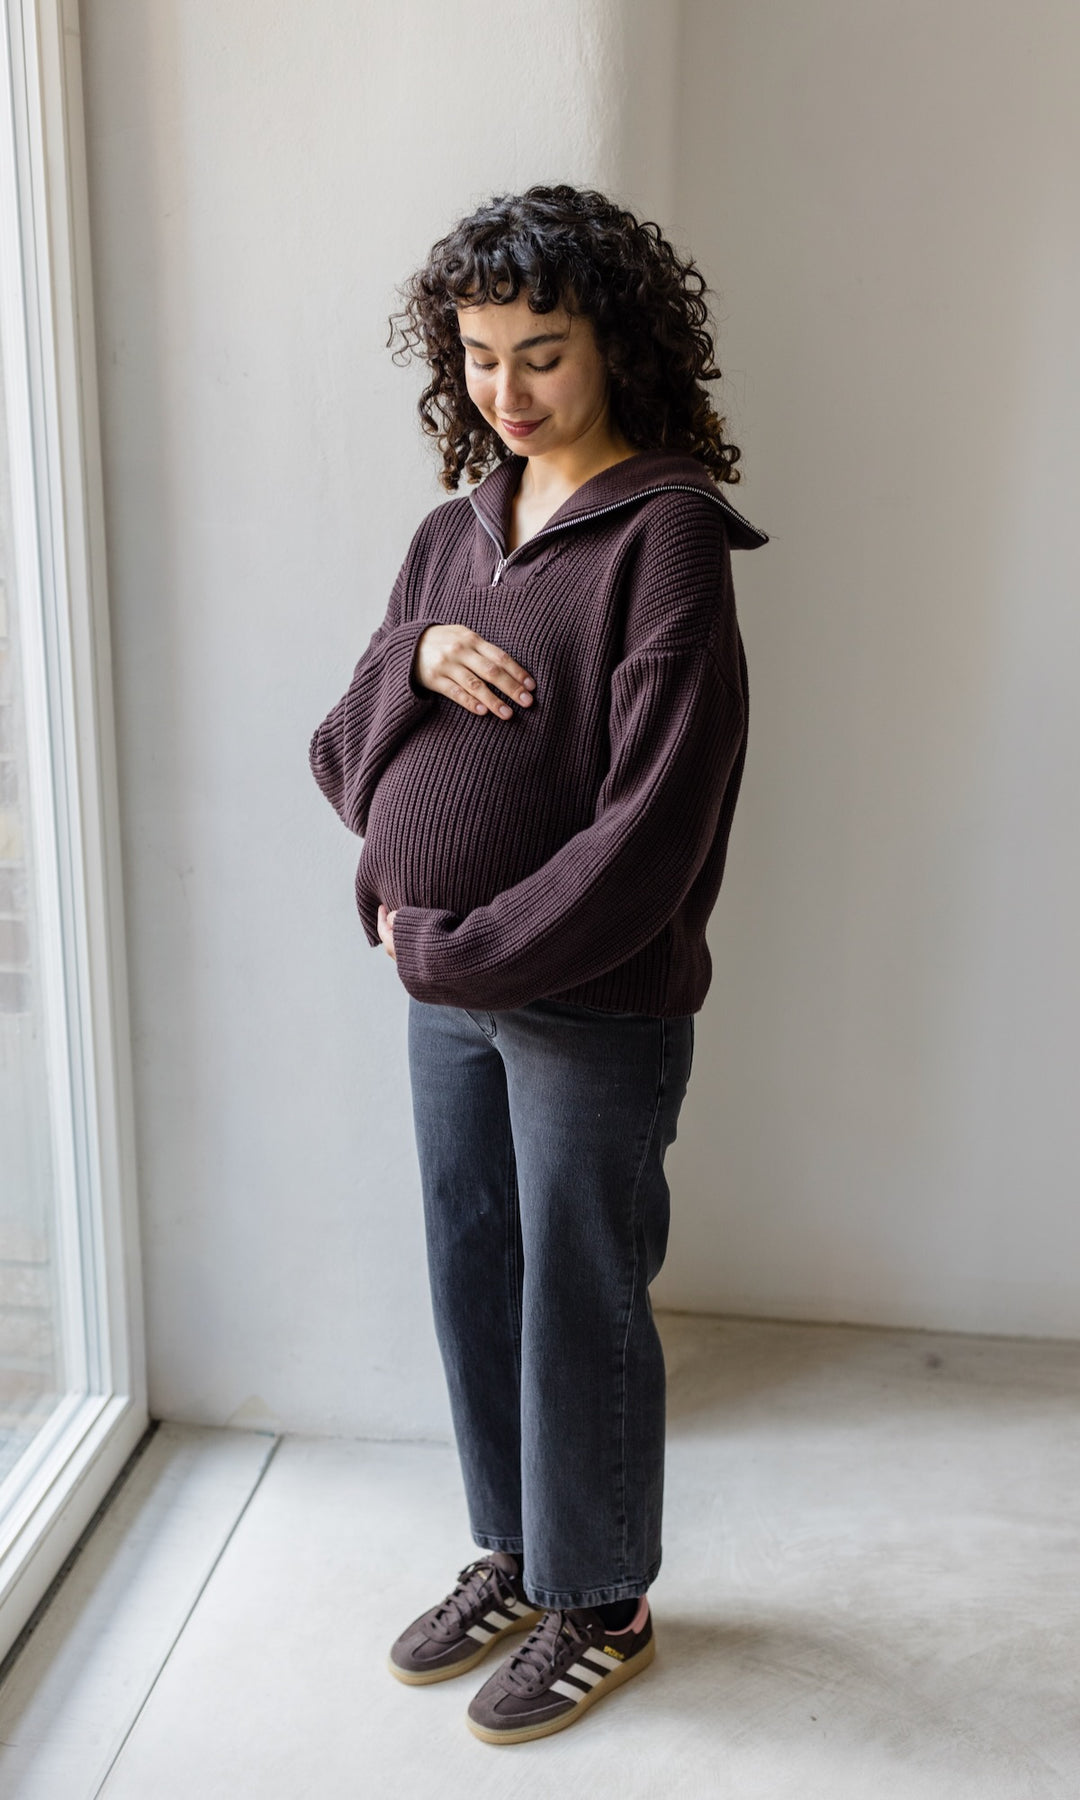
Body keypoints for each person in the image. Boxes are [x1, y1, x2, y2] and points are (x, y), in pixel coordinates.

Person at [308, 183, 768, 1746]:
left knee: (580, 1297)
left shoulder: (671, 541)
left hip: (588, 1005)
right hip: (448, 997)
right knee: (473, 1273)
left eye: (544, 355)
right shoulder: (451, 533)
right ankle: (519, 1553)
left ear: (619, 350)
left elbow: (655, 838)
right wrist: (407, 659)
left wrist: (455, 942)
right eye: (482, 356)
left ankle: (602, 1600)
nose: (508, 391)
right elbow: (340, 761)